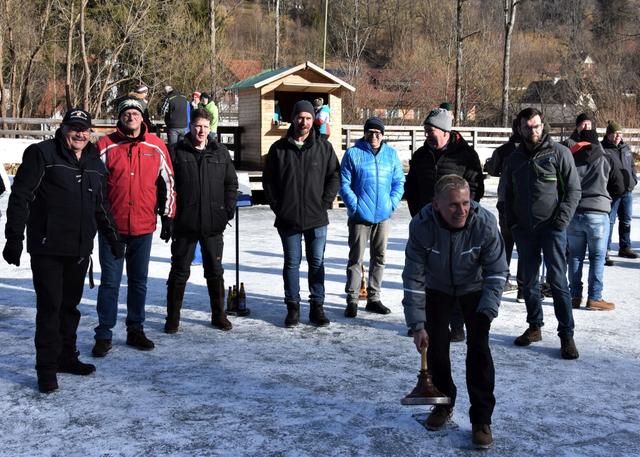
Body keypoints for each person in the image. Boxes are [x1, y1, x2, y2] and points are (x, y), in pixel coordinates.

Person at [3, 109, 124, 393]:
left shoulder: (95, 161)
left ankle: (66, 358)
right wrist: (14, 238)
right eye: (75, 128)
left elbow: (101, 205)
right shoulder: (42, 154)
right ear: (64, 128)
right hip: (48, 248)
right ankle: (46, 369)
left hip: (79, 248)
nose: (80, 134)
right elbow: (21, 196)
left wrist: (113, 237)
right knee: (50, 309)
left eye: (85, 129)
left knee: (69, 308)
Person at [402, 175, 508, 449]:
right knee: (436, 347)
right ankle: (443, 403)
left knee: (479, 350)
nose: (461, 211)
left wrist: (487, 310)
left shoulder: (483, 222)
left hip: (474, 287)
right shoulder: (422, 226)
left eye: (465, 203)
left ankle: (481, 418)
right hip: (437, 287)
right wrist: (417, 324)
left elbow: (497, 272)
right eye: (453, 205)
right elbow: (414, 276)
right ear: (436, 204)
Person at [92, 98, 176, 357]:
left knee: (139, 282)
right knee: (110, 282)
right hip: (112, 228)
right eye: (126, 113)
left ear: (142, 118)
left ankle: (135, 329)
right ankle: (104, 333)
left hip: (143, 226)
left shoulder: (156, 146)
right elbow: (94, 186)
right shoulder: (105, 145)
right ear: (120, 117)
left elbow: (169, 183)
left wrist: (168, 216)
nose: (131, 116)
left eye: (135, 113)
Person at [503, 107, 581, 359]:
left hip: (552, 228)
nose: (533, 131)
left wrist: (560, 221)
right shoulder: (514, 158)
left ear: (543, 125)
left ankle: (566, 335)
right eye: (527, 127)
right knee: (528, 280)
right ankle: (534, 326)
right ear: (520, 128)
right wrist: (511, 221)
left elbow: (573, 191)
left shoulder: (559, 153)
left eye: (536, 126)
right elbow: (506, 194)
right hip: (524, 230)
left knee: (558, 282)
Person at [404, 107, 485, 342]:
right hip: (428, 226)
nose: (427, 134)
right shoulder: (420, 156)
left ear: (445, 131)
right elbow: (412, 189)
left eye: (431, 130)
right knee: (428, 276)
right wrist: (419, 216)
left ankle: (457, 325)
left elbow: (475, 187)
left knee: (456, 274)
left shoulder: (465, 155)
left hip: (458, 226)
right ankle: (426, 322)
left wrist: (463, 216)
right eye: (426, 130)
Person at [263, 100, 340, 328]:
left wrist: (324, 202)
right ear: (293, 119)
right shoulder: (279, 149)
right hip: (288, 219)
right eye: (300, 117)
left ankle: (317, 307)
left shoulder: (324, 147)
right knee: (292, 263)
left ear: (312, 120)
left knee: (317, 263)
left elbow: (335, 176)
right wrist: (279, 206)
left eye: (307, 118)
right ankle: (293, 308)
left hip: (316, 218)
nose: (303, 122)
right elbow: (269, 182)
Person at [164, 109, 238, 333]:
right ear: (190, 126)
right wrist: (168, 216)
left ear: (210, 128)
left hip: (213, 224)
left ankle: (219, 315)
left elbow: (231, 184)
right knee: (179, 272)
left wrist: (226, 212)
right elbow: (166, 186)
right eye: (197, 125)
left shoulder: (220, 153)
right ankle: (173, 318)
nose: (201, 130)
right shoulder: (176, 152)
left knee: (215, 271)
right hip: (185, 224)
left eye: (205, 126)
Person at [340, 116, 405, 317]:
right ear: (365, 133)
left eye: (378, 133)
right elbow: (344, 183)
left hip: (383, 215)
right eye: (370, 132)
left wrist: (391, 204)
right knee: (356, 258)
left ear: (383, 135)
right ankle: (352, 299)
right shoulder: (353, 153)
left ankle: (374, 297)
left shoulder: (391, 155)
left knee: (380, 257)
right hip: (360, 215)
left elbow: (399, 182)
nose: (374, 136)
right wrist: (355, 205)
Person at [567, 129, 623, 311]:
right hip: (598, 213)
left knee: (574, 256)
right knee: (597, 257)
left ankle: (574, 296)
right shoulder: (606, 158)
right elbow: (619, 185)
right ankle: (594, 297)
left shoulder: (571, 159)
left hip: (575, 212)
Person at [485, 118, 521, 296]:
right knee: (525, 246)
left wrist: (489, 164)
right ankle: (524, 287)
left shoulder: (504, 150)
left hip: (505, 201)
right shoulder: (532, 150)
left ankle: (503, 279)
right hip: (526, 204)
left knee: (506, 242)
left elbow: (492, 170)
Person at [602, 120, 638, 263]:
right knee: (609, 222)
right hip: (611, 193)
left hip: (627, 192)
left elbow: (632, 166)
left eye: (620, 133)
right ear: (609, 134)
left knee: (626, 221)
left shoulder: (626, 148)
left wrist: (633, 180)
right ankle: (605, 250)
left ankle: (625, 247)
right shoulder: (603, 149)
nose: (618, 136)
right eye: (615, 133)